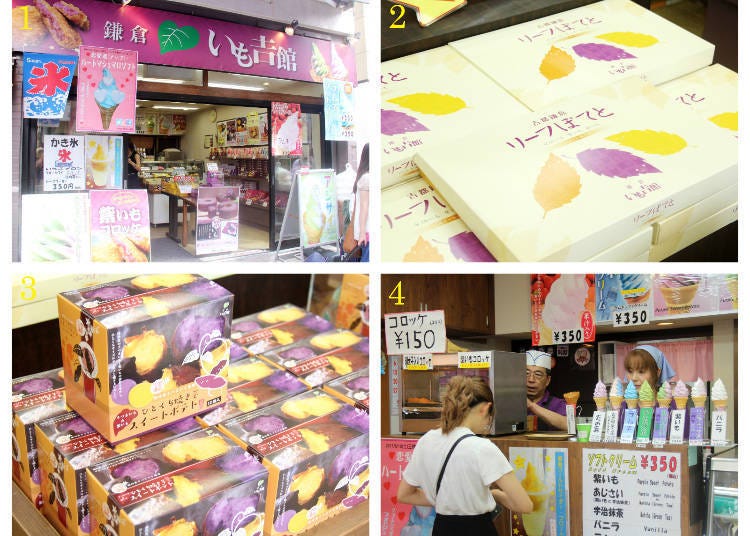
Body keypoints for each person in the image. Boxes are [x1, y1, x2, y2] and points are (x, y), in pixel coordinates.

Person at [397, 376, 532, 535]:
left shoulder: (426, 441)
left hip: (441, 528)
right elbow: (525, 505)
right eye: (490, 416)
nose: (488, 423)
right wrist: (495, 495)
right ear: (485, 408)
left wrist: (445, 499)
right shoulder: (482, 448)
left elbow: (404, 495)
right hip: (477, 529)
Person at [525, 350, 567, 431]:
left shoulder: (558, 404)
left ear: (548, 380)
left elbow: (568, 425)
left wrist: (531, 405)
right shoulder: (512, 403)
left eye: (538, 374)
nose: (531, 379)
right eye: (526, 373)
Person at [344, 143, 369, 261]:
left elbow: (353, 209)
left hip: (363, 232)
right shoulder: (367, 178)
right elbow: (364, 207)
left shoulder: (362, 176)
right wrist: (363, 233)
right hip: (367, 232)